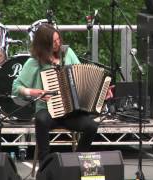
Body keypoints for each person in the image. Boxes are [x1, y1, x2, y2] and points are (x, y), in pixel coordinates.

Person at [12, 24, 99, 164]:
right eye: (54, 41)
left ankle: (77, 162)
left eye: (59, 39)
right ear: (43, 44)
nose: (58, 43)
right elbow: (16, 88)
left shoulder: (68, 53)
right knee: (41, 120)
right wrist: (34, 92)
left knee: (92, 126)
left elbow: (82, 76)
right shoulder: (34, 62)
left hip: (71, 113)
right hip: (47, 111)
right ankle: (45, 165)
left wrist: (100, 92)